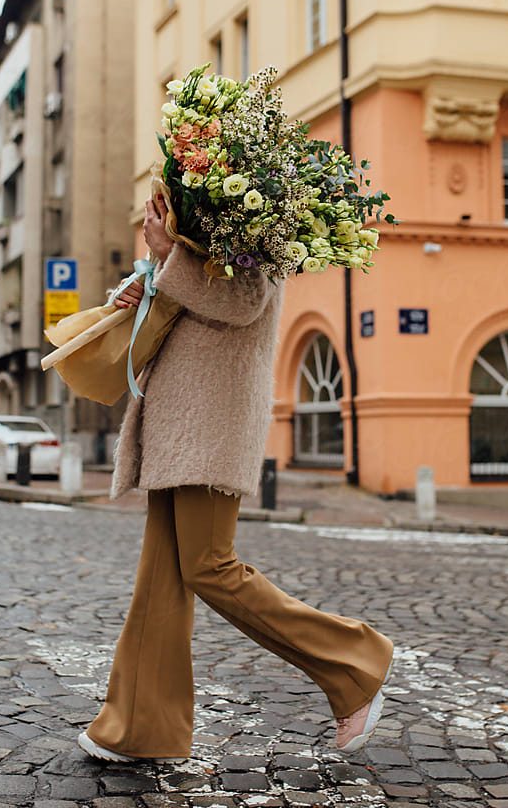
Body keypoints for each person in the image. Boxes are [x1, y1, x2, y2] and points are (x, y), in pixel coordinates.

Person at [77, 194, 394, 763]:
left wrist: (168, 255)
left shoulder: (254, 212)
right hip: (179, 424)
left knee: (208, 565)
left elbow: (244, 300)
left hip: (210, 422)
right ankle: (141, 727)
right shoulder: (206, 212)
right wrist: (147, 277)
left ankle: (355, 662)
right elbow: (179, 294)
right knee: (161, 580)